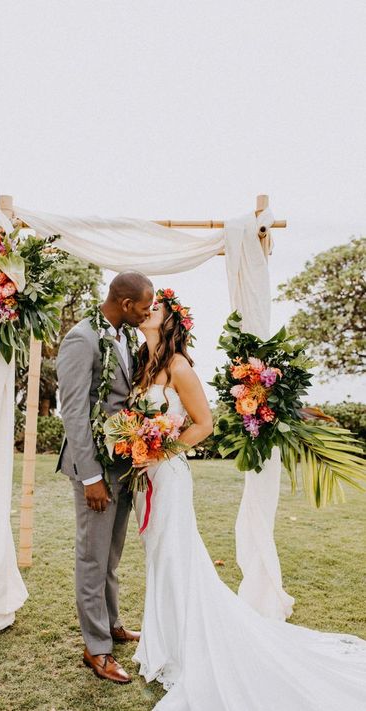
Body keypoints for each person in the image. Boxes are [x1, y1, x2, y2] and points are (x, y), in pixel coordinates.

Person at [132, 289, 366, 710]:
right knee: (158, 557)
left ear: (171, 321)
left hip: (168, 474)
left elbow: (203, 424)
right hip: (146, 475)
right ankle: (163, 642)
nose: (148, 309)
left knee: (173, 557)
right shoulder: (144, 364)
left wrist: (158, 452)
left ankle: (185, 648)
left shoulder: (179, 366)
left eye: (157, 306)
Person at [56, 270, 154, 684]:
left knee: (111, 555)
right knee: (92, 558)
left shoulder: (125, 335)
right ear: (127, 304)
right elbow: (74, 411)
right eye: (145, 307)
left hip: (123, 461)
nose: (148, 314)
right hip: (94, 467)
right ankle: (96, 649)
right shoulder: (82, 338)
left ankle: (112, 623)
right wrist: (91, 476)